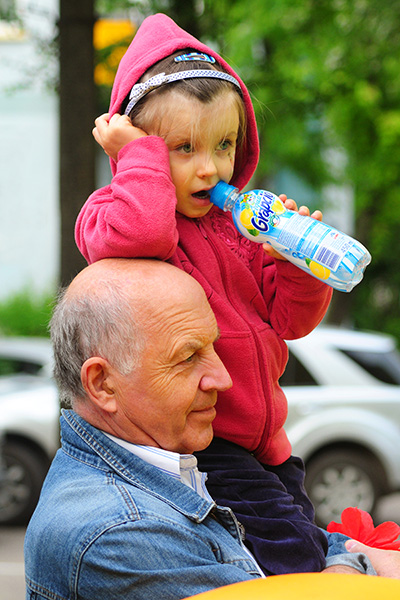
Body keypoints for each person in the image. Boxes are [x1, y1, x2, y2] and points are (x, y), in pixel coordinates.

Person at [74, 13, 335, 575]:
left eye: (223, 145)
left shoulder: (237, 229)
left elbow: (290, 320)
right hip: (200, 442)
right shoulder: (112, 213)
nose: (210, 168)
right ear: (136, 148)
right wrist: (137, 159)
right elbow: (146, 232)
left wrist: (298, 266)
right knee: (294, 564)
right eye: (183, 148)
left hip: (268, 443)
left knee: (306, 544)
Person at [24, 259, 375, 600]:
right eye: (188, 357)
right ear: (102, 384)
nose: (223, 378)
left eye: (214, 347)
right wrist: (351, 566)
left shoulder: (178, 465)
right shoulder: (119, 532)